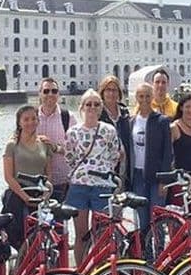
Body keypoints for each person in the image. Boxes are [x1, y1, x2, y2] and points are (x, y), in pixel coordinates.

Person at [64, 89, 123, 264]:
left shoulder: (108, 130)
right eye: (88, 104)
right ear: (82, 107)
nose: (92, 107)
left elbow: (115, 154)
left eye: (96, 104)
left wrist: (102, 170)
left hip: (102, 186)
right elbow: (69, 157)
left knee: (102, 233)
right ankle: (82, 273)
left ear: (101, 108)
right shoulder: (73, 132)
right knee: (81, 234)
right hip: (79, 186)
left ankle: (100, 272)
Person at [1, 105, 53, 249]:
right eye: (26, 119)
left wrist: (45, 193)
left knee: (42, 236)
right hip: (19, 195)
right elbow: (8, 177)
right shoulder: (12, 145)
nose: (30, 122)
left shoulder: (44, 144)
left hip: (40, 194)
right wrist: (25, 197)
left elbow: (48, 173)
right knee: (22, 237)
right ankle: (20, 266)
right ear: (19, 122)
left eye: (33, 119)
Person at [129, 83, 173, 234]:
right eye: (141, 96)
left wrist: (164, 181)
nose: (145, 99)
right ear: (136, 98)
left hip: (156, 176)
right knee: (142, 218)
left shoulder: (162, 121)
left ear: (152, 97)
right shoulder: (131, 121)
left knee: (157, 216)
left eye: (148, 96)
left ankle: (159, 253)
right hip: (138, 175)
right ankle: (145, 254)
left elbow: (168, 153)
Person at [36, 78, 76, 202]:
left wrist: (55, 147)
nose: (50, 94)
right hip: (37, 181)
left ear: (58, 94)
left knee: (60, 220)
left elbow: (76, 151)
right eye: (46, 91)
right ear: (40, 94)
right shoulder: (31, 117)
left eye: (54, 91)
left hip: (62, 180)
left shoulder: (68, 117)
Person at [97, 75, 131, 181]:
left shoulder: (124, 112)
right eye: (108, 90)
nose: (111, 93)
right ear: (102, 92)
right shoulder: (98, 113)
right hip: (106, 165)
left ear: (119, 93)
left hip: (125, 163)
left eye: (114, 90)